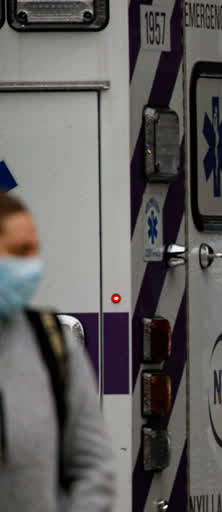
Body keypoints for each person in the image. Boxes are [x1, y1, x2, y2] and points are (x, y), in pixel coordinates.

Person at [0, 193, 115, 510]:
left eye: (34, 251)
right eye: (19, 252)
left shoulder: (53, 344)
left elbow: (94, 465)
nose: (31, 266)